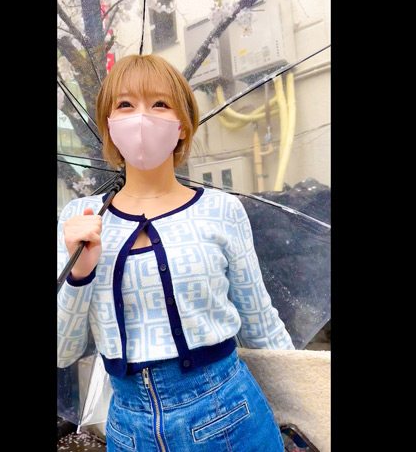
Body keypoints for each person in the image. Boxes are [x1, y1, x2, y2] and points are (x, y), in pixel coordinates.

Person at [57, 54, 294, 452]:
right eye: (125, 104)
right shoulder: (80, 218)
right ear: (109, 124)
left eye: (160, 103)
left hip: (232, 415)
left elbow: (262, 325)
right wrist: (80, 273)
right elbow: (62, 351)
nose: (141, 117)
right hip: (129, 432)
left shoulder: (221, 209)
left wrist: (305, 411)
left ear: (182, 124)